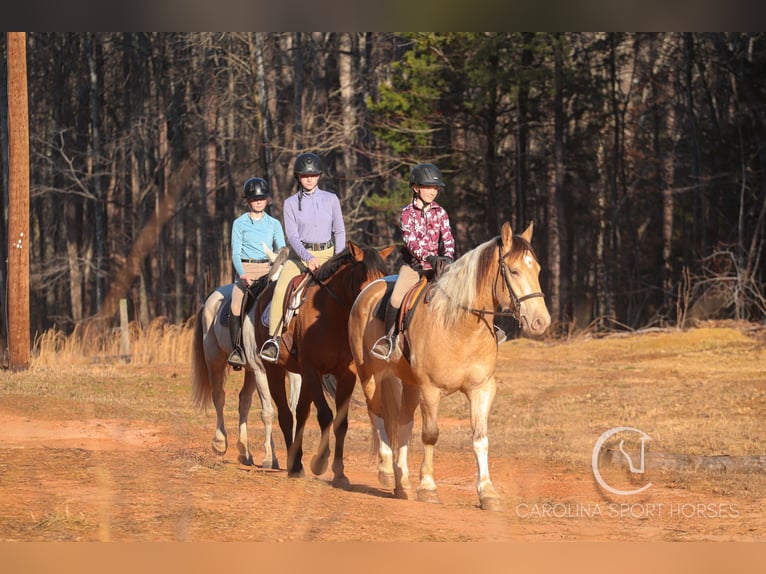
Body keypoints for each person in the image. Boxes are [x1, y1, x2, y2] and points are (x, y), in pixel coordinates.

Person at [259, 152, 346, 363]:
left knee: (349, 286)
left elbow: (340, 231)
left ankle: (352, 336)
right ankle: (274, 340)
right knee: (280, 288)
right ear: (298, 177)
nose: (309, 178)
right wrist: (307, 258)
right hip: (300, 256)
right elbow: (292, 236)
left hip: (329, 254)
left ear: (319, 176)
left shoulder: (331, 199)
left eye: (313, 175)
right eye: (305, 175)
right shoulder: (290, 203)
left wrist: (338, 258)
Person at [370, 163, 455, 361]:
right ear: (416, 188)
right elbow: (410, 242)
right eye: (428, 187)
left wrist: (448, 257)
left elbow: (448, 238)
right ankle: (388, 340)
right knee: (395, 298)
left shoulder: (441, 212)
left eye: (435, 188)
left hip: (440, 267)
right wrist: (428, 257)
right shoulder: (406, 213)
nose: (432, 192)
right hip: (415, 268)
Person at [228, 177, 286, 369]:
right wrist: (242, 275)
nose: (258, 201)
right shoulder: (239, 224)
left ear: (267, 199)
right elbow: (235, 254)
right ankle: (237, 351)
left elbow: (282, 249)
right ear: (248, 201)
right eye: (254, 199)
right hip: (248, 268)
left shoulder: (274, 224)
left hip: (269, 269)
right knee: (236, 305)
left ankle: (277, 343)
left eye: (261, 198)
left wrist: (279, 267)